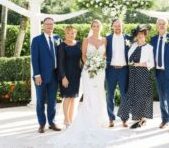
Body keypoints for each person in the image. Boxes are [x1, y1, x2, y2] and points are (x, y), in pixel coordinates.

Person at [48, 19, 123, 147]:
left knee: (99, 94)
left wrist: (99, 64)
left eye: (98, 25)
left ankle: (99, 119)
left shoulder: (105, 40)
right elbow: (83, 55)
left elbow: (105, 55)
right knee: (86, 96)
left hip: (99, 72)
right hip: (88, 71)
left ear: (101, 27)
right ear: (91, 27)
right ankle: (72, 120)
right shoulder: (85, 40)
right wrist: (90, 64)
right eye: (93, 25)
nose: (95, 27)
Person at [117, 25, 155, 129]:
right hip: (132, 73)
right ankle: (124, 118)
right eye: (138, 35)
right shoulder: (132, 46)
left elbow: (152, 63)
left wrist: (141, 64)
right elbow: (128, 58)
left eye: (142, 35)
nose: (140, 36)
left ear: (145, 35)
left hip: (143, 73)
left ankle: (141, 119)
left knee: (141, 96)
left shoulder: (149, 48)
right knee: (129, 95)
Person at [31, 17, 61, 133]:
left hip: (54, 75)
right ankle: (42, 124)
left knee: (52, 101)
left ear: (53, 25)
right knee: (40, 101)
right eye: (47, 24)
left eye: (51, 24)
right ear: (43, 25)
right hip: (41, 76)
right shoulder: (37, 40)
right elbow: (34, 59)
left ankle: (52, 122)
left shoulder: (58, 38)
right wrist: (37, 74)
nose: (49, 26)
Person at [105, 19, 130, 128]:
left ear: (122, 26)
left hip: (124, 70)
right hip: (111, 70)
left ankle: (124, 119)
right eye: (115, 26)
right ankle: (111, 118)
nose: (117, 27)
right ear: (112, 27)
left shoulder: (128, 38)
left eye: (119, 25)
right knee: (110, 95)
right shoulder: (107, 39)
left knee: (125, 95)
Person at [57, 26, 82, 128]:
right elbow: (60, 63)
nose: (70, 35)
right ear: (65, 34)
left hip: (77, 75)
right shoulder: (62, 46)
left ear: (75, 34)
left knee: (73, 98)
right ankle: (66, 120)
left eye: (72, 33)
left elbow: (82, 59)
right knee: (67, 98)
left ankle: (71, 119)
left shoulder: (79, 44)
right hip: (67, 75)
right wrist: (63, 77)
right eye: (68, 33)